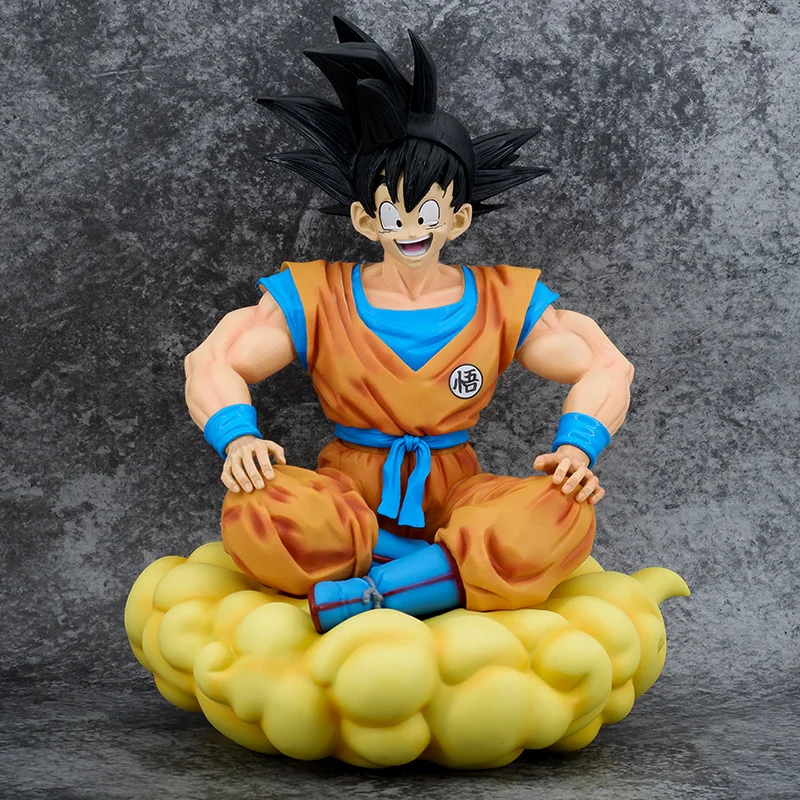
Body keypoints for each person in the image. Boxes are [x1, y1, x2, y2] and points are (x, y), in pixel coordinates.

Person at [183, 17, 634, 633]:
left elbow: (604, 365)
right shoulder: (317, 295)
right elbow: (214, 360)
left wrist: (576, 452)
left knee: (564, 508)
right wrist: (238, 439)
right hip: (345, 501)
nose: (411, 228)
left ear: (458, 218)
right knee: (259, 505)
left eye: (428, 210)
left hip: (458, 500)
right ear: (366, 221)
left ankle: (374, 593)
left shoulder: (504, 298)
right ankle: (438, 579)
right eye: (393, 212)